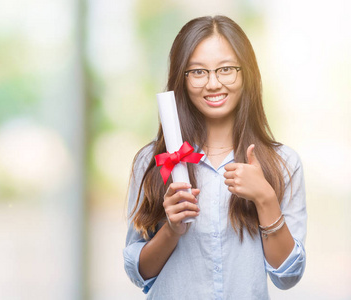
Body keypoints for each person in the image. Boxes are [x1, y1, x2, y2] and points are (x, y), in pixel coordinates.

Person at [124, 15, 307, 299]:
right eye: (198, 72)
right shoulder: (153, 161)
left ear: (246, 74)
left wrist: (265, 199)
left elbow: (287, 276)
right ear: (181, 79)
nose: (213, 84)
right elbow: (139, 274)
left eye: (226, 69)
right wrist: (172, 230)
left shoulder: (282, 163)